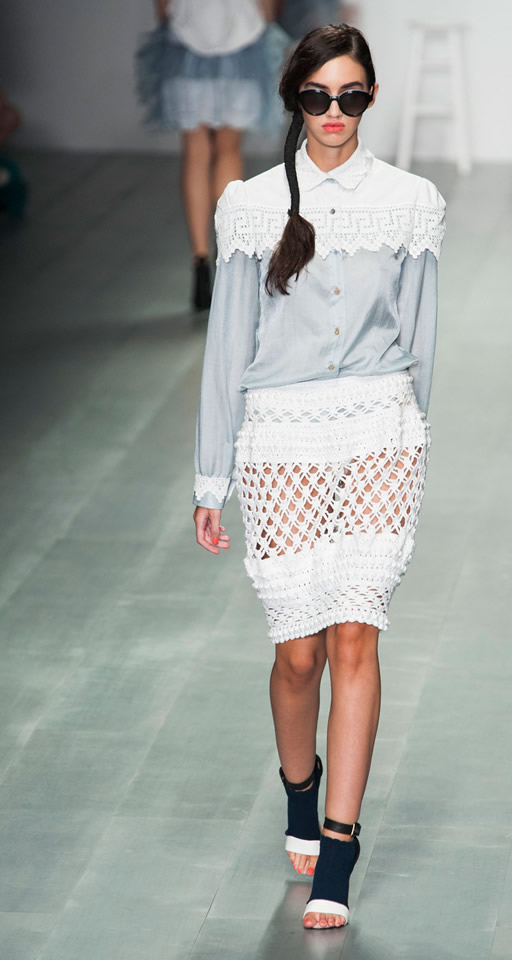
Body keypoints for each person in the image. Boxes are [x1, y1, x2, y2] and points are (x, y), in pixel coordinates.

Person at [192, 23, 446, 929]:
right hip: (281, 439)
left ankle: (339, 845)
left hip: (380, 430)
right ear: (294, 99)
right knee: (297, 655)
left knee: (355, 641)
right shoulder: (251, 206)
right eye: (317, 96)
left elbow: (420, 336)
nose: (334, 113)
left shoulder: (411, 202)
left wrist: (415, 441)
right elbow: (228, 345)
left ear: (370, 98)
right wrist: (210, 476)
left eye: (351, 96)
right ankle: (300, 791)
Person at [136, 0, 284, 310]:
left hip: (186, 39)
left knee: (196, 153)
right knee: (228, 152)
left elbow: (163, 8)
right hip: (241, 37)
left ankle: (200, 262)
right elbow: (268, 7)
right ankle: (227, 254)